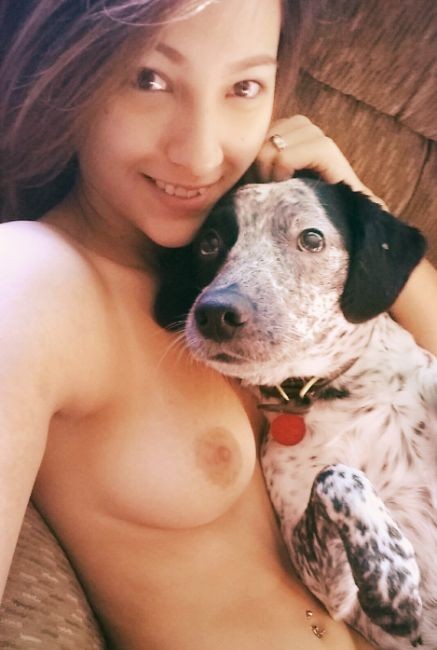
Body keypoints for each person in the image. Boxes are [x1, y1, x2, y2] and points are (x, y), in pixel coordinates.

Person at [0, 1, 436, 648]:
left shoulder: (240, 261)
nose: (200, 154)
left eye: (244, 86)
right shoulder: (29, 277)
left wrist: (355, 211)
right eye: (148, 79)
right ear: (70, 75)